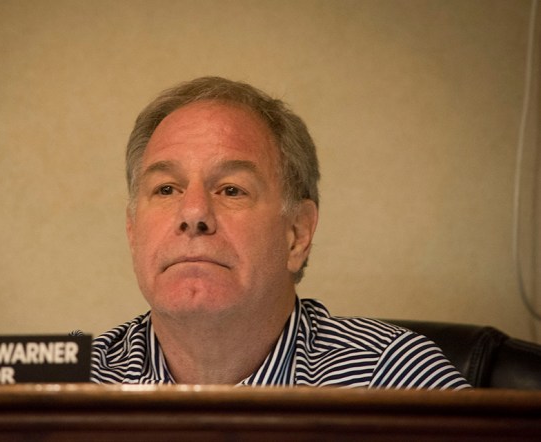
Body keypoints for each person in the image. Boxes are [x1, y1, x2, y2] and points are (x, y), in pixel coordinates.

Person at [91, 76, 470, 388]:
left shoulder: (392, 380)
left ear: (297, 234)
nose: (193, 214)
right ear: (132, 231)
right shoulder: (70, 385)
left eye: (232, 190)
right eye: (166, 189)